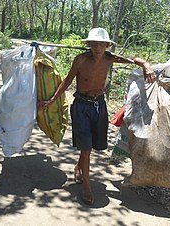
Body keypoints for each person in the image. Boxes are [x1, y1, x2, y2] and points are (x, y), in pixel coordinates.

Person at [38, 27, 155, 205]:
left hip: (99, 105)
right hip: (81, 106)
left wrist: (146, 65)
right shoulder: (81, 59)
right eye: (94, 44)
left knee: (91, 146)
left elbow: (133, 60)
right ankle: (86, 186)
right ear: (89, 44)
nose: (98, 48)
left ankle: (79, 166)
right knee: (86, 148)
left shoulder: (110, 58)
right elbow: (68, 81)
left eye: (101, 44)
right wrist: (52, 100)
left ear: (108, 45)